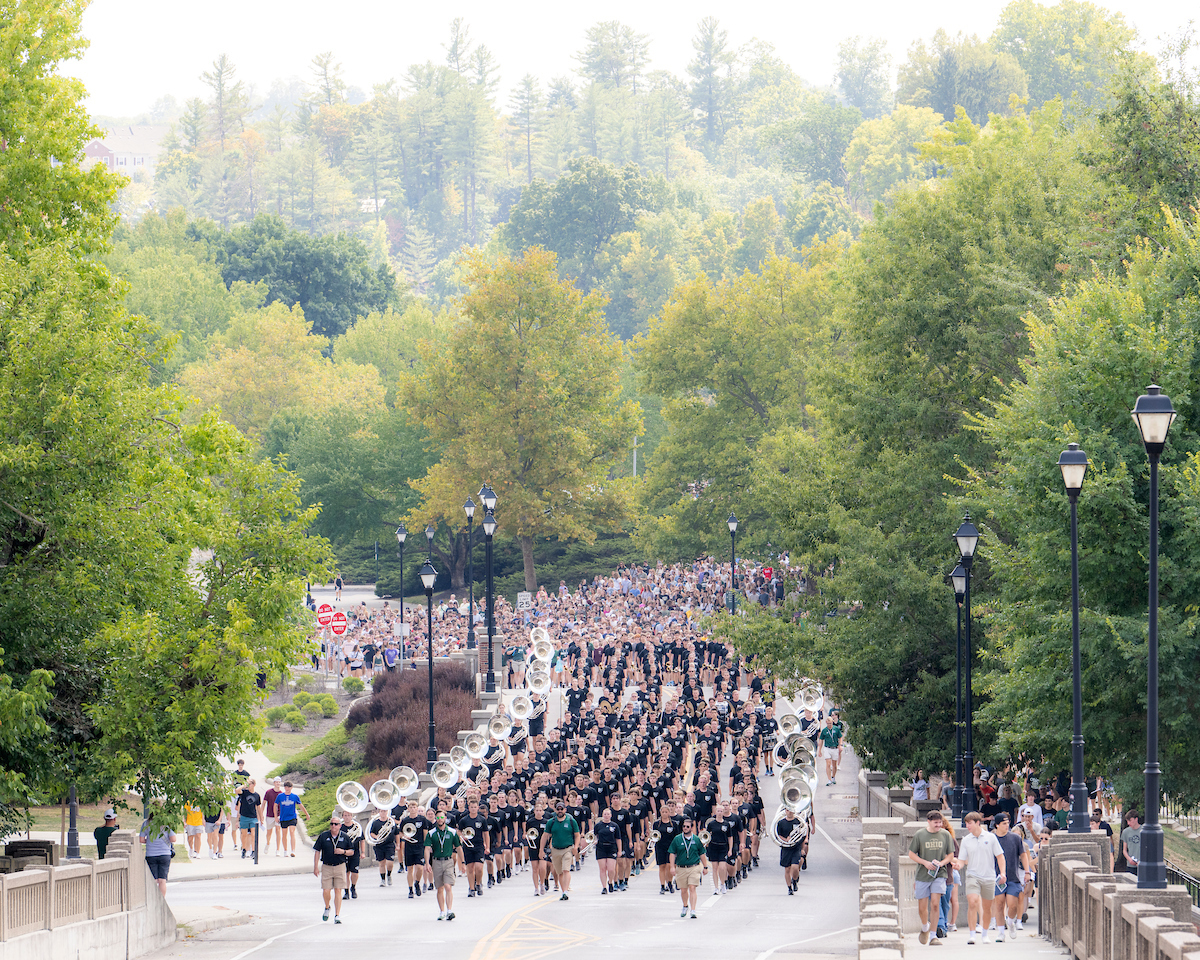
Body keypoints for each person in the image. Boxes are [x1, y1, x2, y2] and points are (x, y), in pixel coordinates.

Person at [955, 811, 1005, 945]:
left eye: (969, 823)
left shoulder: (991, 837)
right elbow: (961, 860)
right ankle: (972, 935)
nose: (967, 826)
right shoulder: (966, 840)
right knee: (972, 902)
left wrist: (1003, 873)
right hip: (972, 875)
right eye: (966, 823)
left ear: (978, 823)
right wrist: (957, 866)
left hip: (989, 876)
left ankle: (984, 933)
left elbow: (1000, 856)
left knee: (987, 907)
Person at [907, 810, 954, 944]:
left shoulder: (945, 835)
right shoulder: (920, 835)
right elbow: (911, 854)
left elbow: (950, 855)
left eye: (940, 822)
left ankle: (933, 935)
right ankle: (925, 927)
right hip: (923, 874)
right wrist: (925, 863)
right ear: (929, 822)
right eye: (936, 823)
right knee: (922, 907)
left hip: (940, 874)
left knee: (935, 904)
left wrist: (942, 863)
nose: (938, 825)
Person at [991, 813, 1031, 941]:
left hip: (1013, 877)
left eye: (1008, 823)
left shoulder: (1015, 838)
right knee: (999, 904)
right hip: (996, 878)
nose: (1007, 825)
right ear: (997, 825)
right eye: (1004, 823)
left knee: (1012, 904)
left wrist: (1027, 871)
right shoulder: (991, 839)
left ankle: (1011, 922)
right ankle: (1001, 932)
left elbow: (1023, 855)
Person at [312, 814, 356, 924]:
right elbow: (317, 851)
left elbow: (352, 851)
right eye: (332, 824)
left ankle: (337, 915)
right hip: (327, 866)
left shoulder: (345, 836)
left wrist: (343, 852)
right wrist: (315, 866)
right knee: (326, 890)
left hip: (340, 866)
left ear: (340, 826)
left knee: (338, 890)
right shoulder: (324, 836)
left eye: (336, 824)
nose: (333, 826)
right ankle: (327, 907)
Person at [668, 817, 709, 919]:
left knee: (692, 887)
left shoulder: (696, 839)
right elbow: (672, 853)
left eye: (687, 827)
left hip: (694, 867)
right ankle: (685, 905)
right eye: (684, 826)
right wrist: (672, 866)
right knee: (683, 889)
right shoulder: (677, 839)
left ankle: (693, 910)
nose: (685, 828)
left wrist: (705, 866)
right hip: (681, 867)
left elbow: (702, 853)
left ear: (691, 827)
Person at [540, 800, 580, 901]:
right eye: (558, 809)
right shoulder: (551, 822)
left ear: (565, 810)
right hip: (555, 849)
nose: (560, 811)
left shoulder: (571, 821)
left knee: (566, 869)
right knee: (559, 872)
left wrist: (575, 847)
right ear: (555, 810)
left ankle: (566, 891)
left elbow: (577, 835)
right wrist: (541, 850)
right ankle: (563, 892)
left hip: (568, 848)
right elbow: (545, 836)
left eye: (562, 809)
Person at [424, 810, 461, 921]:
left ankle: (449, 910)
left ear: (445, 818)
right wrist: (427, 863)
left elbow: (458, 847)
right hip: (436, 861)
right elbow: (426, 848)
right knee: (439, 888)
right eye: (438, 818)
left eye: (442, 817)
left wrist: (463, 863)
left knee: (448, 886)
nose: (440, 820)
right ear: (436, 819)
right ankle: (442, 911)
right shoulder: (431, 833)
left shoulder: (452, 832)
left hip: (448, 861)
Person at [139, 818, 178, 896]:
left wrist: (150, 841)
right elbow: (173, 839)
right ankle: (162, 901)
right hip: (165, 854)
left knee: (153, 880)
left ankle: (153, 899)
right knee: (162, 880)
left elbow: (141, 839)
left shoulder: (146, 823)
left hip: (151, 854)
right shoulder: (166, 822)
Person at [275, 781, 307, 857]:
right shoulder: (280, 796)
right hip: (283, 817)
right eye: (286, 787)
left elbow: (300, 805)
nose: (287, 789)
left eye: (289, 787)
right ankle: (285, 850)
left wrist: (306, 814)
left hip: (292, 817)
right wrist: (276, 816)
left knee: (292, 832)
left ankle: (293, 851)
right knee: (284, 834)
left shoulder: (295, 796)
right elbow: (275, 805)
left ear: (291, 788)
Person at [235, 778, 263, 858]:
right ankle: (244, 849)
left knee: (253, 834)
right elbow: (237, 790)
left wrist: (261, 817)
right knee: (244, 835)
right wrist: (244, 786)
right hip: (244, 816)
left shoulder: (256, 795)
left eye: (250, 784)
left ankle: (253, 851)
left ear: (254, 785)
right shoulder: (244, 793)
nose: (248, 786)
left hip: (253, 817)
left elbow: (258, 807)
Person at [819, 715, 841, 785]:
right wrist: (819, 750)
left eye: (830, 723)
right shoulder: (824, 730)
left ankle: (833, 777)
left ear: (832, 722)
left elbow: (840, 737)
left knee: (834, 765)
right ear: (826, 723)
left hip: (834, 748)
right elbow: (821, 740)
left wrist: (840, 745)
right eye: (828, 723)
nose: (829, 725)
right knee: (828, 764)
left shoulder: (836, 729)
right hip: (827, 748)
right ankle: (829, 779)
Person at [1121, 810, 1141, 876]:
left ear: (1136, 819)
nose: (1128, 823)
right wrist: (1129, 859)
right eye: (1127, 821)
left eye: (1130, 820)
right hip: (1130, 865)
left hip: (1141, 864)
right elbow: (1124, 850)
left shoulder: (1143, 830)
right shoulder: (1126, 832)